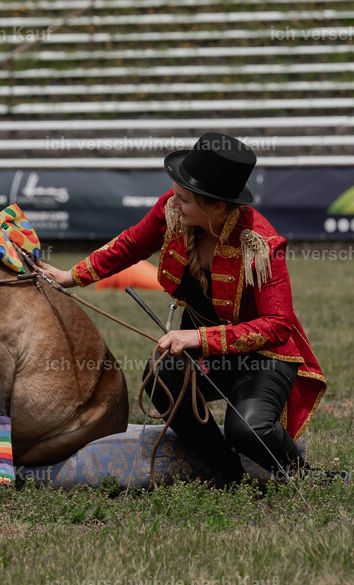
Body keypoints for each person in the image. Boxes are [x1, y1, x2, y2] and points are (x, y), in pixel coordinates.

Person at [39, 132, 337, 486]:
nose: (173, 203)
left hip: (265, 356)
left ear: (218, 207)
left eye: (184, 199)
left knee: (248, 430)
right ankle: (227, 474)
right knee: (161, 377)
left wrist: (198, 337)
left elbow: (278, 326)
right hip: (206, 347)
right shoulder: (173, 208)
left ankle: (310, 479)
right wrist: (72, 276)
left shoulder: (262, 245)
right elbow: (133, 242)